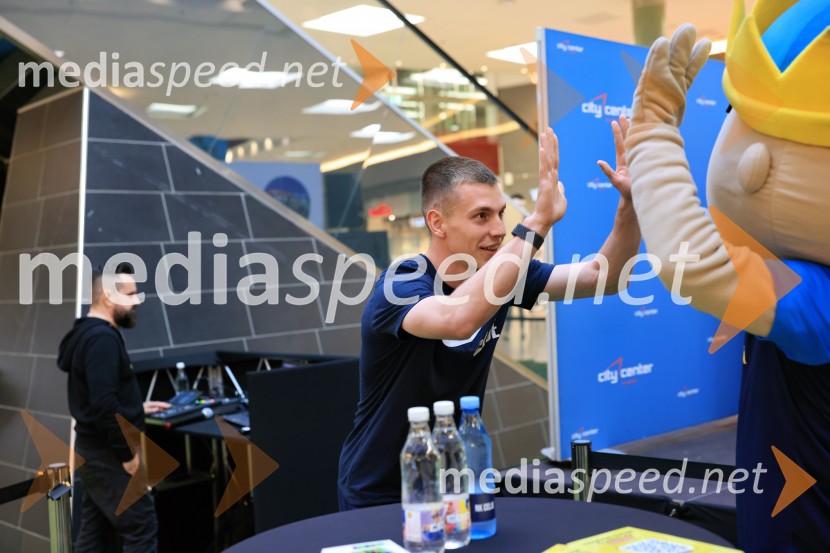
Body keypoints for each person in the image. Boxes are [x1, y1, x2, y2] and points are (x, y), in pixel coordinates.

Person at [338, 122, 641, 509]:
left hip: (456, 480)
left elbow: (604, 277)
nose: (498, 229)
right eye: (481, 216)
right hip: (381, 491)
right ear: (438, 223)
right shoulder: (401, 284)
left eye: (500, 213)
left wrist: (631, 204)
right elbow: (458, 318)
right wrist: (535, 222)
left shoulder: (502, 273)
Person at [57, 264, 170, 553]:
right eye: (130, 294)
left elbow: (97, 397)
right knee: (141, 529)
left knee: (95, 534)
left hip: (94, 452)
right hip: (109, 454)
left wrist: (136, 407)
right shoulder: (101, 339)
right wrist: (127, 455)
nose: (136, 301)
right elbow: (103, 405)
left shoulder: (87, 334)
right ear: (108, 297)